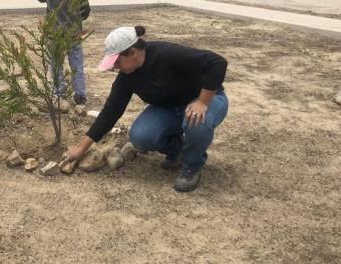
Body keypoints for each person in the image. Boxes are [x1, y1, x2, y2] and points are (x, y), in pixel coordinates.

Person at [65, 26, 229, 192]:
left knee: (196, 121)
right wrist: (81, 147)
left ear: (133, 52)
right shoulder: (126, 78)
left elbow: (217, 62)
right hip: (170, 108)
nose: (115, 67)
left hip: (208, 99)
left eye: (117, 62)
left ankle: (192, 165)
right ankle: (180, 152)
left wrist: (202, 101)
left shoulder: (166, 54)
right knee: (141, 135)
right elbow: (110, 113)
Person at [35, 0, 91, 105]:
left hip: (54, 35)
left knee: (56, 64)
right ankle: (80, 95)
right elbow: (86, 11)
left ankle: (59, 94)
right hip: (73, 34)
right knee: (77, 65)